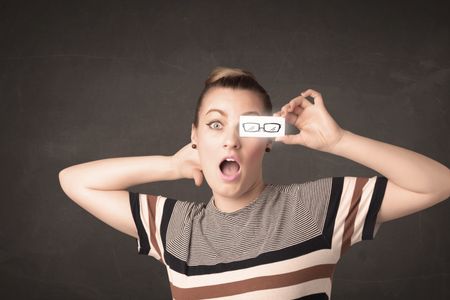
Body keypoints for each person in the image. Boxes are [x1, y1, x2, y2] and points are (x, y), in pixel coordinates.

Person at [58, 67, 450, 300]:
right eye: (215, 125)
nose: (230, 139)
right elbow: (75, 181)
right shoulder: (174, 229)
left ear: (266, 140)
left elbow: (436, 184)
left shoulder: (315, 209)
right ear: (195, 136)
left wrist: (340, 141)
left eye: (248, 126)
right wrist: (172, 164)